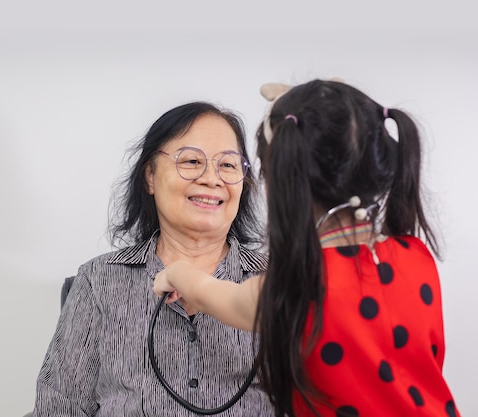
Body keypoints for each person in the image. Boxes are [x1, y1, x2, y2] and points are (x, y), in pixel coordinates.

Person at [154, 79, 461, 417]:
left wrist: (176, 273)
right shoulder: (416, 256)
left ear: (283, 182)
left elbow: (207, 291)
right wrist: (320, 114)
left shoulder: (297, 288)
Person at [32, 101, 273, 416]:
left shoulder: (283, 281)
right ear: (149, 176)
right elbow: (59, 407)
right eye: (190, 160)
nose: (212, 179)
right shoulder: (99, 280)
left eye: (228, 165)